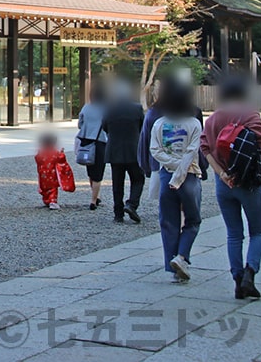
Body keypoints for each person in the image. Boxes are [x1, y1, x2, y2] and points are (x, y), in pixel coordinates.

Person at [201, 76, 261, 299]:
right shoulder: (250, 114)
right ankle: (251, 272)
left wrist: (222, 174)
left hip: (224, 184)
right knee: (257, 231)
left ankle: (237, 280)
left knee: (234, 233)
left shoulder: (212, 120)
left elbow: (205, 148)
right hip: (248, 182)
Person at [150, 79, 203, 283]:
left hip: (166, 174)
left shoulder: (159, 124)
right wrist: (180, 171)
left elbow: (155, 151)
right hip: (188, 175)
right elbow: (192, 152)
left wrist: (172, 166)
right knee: (193, 219)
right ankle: (182, 256)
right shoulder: (194, 124)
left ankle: (172, 266)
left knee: (168, 222)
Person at [104, 80, 146, 223]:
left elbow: (105, 126)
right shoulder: (137, 108)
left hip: (115, 150)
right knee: (138, 179)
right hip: (133, 149)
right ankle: (132, 204)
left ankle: (118, 213)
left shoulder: (110, 108)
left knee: (117, 183)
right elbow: (142, 127)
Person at [77, 83, 108, 211]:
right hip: (100, 142)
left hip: (86, 141)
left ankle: (95, 195)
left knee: (90, 169)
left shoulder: (86, 107)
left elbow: (80, 124)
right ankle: (94, 200)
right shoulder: (106, 109)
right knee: (98, 173)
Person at [35, 133, 72, 210]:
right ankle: (52, 202)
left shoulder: (41, 153)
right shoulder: (55, 153)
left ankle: (46, 200)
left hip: (43, 174)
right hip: (52, 174)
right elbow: (60, 158)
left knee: (45, 188)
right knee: (53, 188)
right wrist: (62, 153)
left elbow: (37, 159)